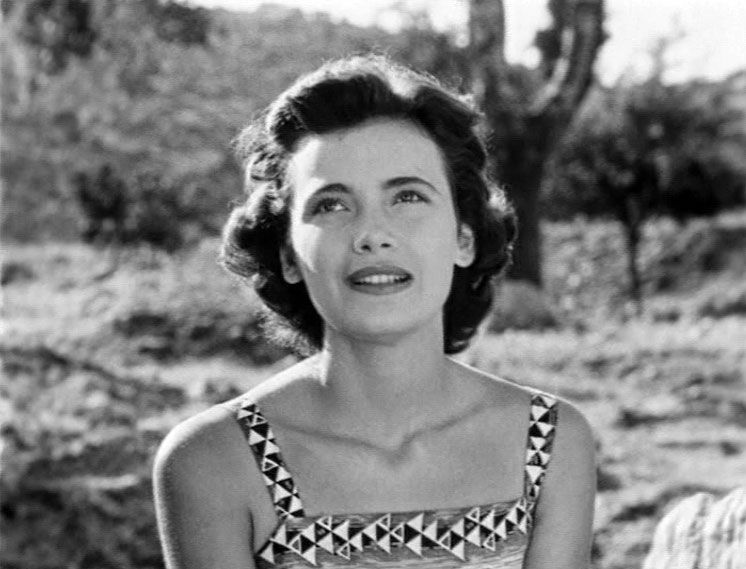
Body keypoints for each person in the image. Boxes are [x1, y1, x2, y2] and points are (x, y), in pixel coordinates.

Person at [153, 54, 596, 569]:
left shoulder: (548, 443)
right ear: (288, 255)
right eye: (332, 205)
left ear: (463, 237)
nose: (372, 235)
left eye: (407, 196)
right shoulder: (215, 460)